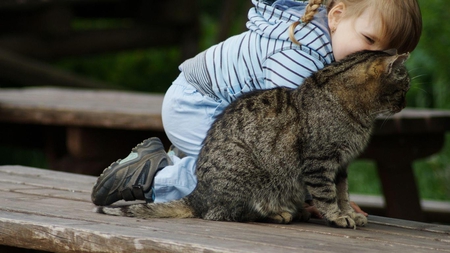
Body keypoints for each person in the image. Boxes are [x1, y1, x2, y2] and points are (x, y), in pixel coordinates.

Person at [91, 0, 422, 218]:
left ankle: (165, 159)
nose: (378, 60)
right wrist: (320, 200)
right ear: (336, 17)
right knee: (237, 176)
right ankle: (152, 176)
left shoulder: (330, 47)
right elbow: (284, 139)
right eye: (369, 40)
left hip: (217, 106)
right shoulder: (301, 55)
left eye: (389, 52)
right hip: (196, 102)